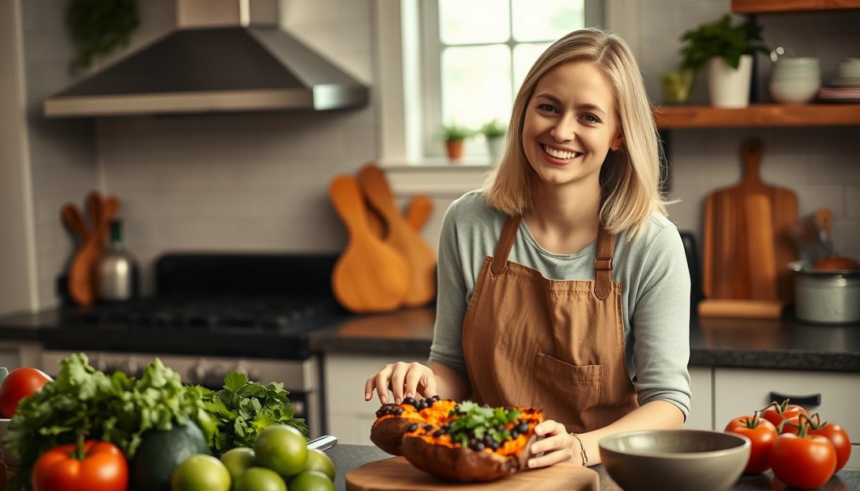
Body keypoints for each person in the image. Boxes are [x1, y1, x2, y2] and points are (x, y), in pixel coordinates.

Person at [364, 28, 691, 468]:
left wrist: (580, 447)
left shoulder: (651, 243)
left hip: (597, 474)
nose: (561, 131)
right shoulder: (468, 222)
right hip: (482, 471)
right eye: (548, 107)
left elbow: (669, 404)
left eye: (589, 117)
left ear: (618, 134)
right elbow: (452, 368)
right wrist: (423, 381)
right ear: (524, 113)